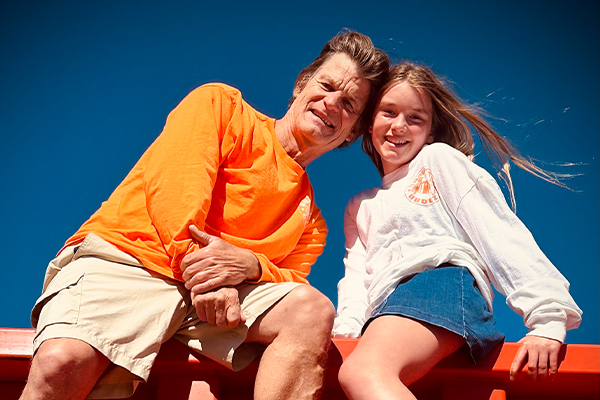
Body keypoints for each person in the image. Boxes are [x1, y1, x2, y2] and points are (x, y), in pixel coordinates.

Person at [20, 30, 390, 400]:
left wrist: (251, 266)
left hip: (218, 309)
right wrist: (210, 280)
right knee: (61, 363)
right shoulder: (222, 106)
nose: (331, 103)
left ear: (352, 132)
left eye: (348, 104)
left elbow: (289, 279)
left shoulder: (310, 224)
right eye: (326, 86)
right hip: (133, 260)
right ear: (301, 85)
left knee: (310, 310)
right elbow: (175, 194)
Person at [333, 62, 582, 399]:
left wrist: (547, 316)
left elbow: (497, 231)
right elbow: (356, 277)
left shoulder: (438, 160)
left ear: (430, 132)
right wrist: (347, 331)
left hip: (441, 284)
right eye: (388, 112)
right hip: (386, 310)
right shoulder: (360, 205)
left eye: (415, 118)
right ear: (369, 123)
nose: (398, 125)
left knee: (363, 373)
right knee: (359, 373)